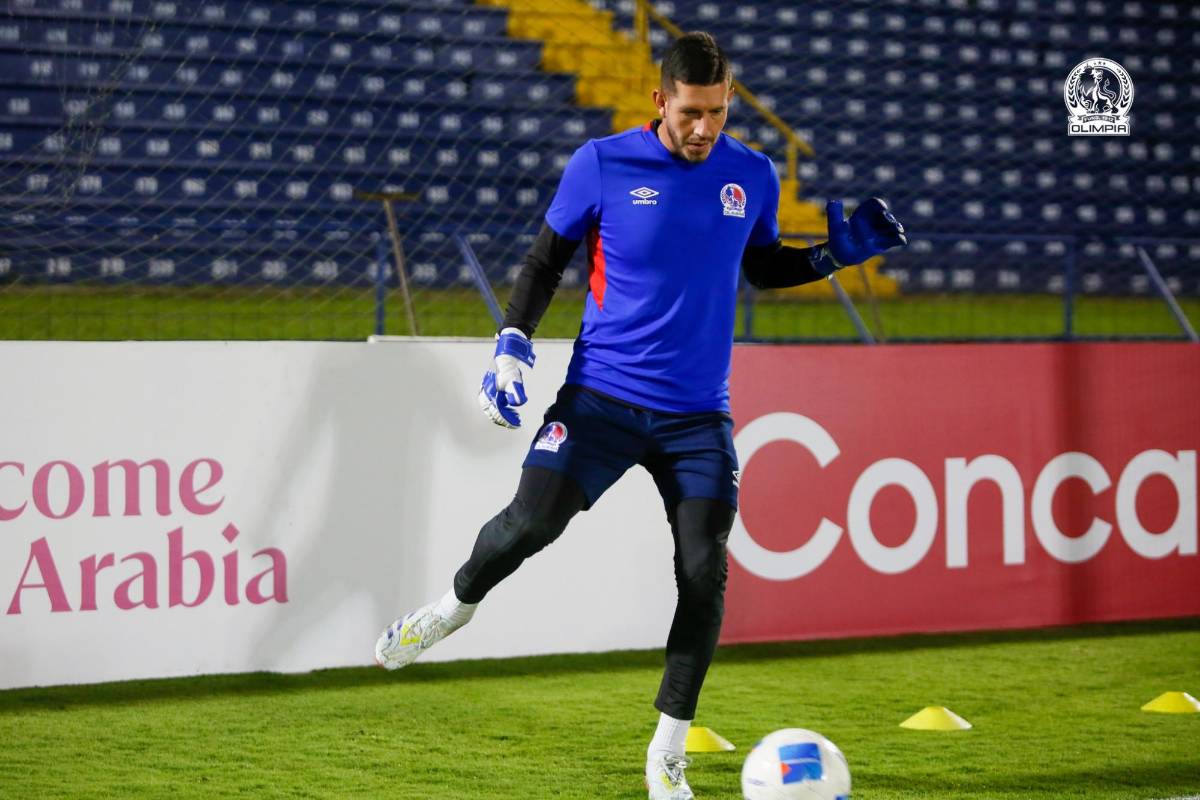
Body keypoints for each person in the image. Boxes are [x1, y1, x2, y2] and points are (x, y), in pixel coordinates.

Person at [375, 31, 907, 800]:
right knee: (529, 526)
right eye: (692, 113)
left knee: (704, 571)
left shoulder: (750, 173)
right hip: (601, 399)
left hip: (698, 418)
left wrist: (829, 256)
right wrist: (512, 342)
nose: (705, 129)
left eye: (718, 114)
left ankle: (667, 750)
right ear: (660, 101)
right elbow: (545, 260)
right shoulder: (602, 163)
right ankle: (452, 608)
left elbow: (760, 264)